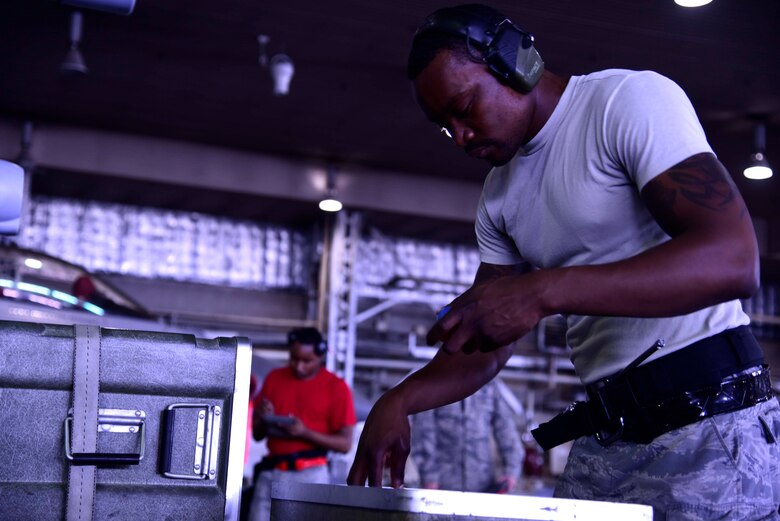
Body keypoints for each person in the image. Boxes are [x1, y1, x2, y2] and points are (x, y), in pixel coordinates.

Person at [347, 4, 780, 520]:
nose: (460, 137)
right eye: (445, 126)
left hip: (711, 418)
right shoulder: (497, 198)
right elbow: (487, 342)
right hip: (610, 435)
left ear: (514, 63)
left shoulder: (624, 101)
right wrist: (399, 399)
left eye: (464, 108)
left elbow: (733, 258)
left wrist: (542, 290)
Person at [248, 327, 356, 521]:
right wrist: (263, 418)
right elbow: (257, 434)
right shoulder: (274, 378)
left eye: (307, 361)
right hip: (273, 472)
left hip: (312, 475)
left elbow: (345, 444)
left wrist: (304, 432)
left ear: (321, 355)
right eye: (294, 359)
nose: (299, 366)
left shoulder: (337, 388)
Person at [410, 379, 523, 493]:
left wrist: (511, 472)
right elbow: (423, 432)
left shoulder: (488, 384)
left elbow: (506, 429)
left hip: (483, 485)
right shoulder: (435, 383)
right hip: (442, 486)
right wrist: (429, 476)